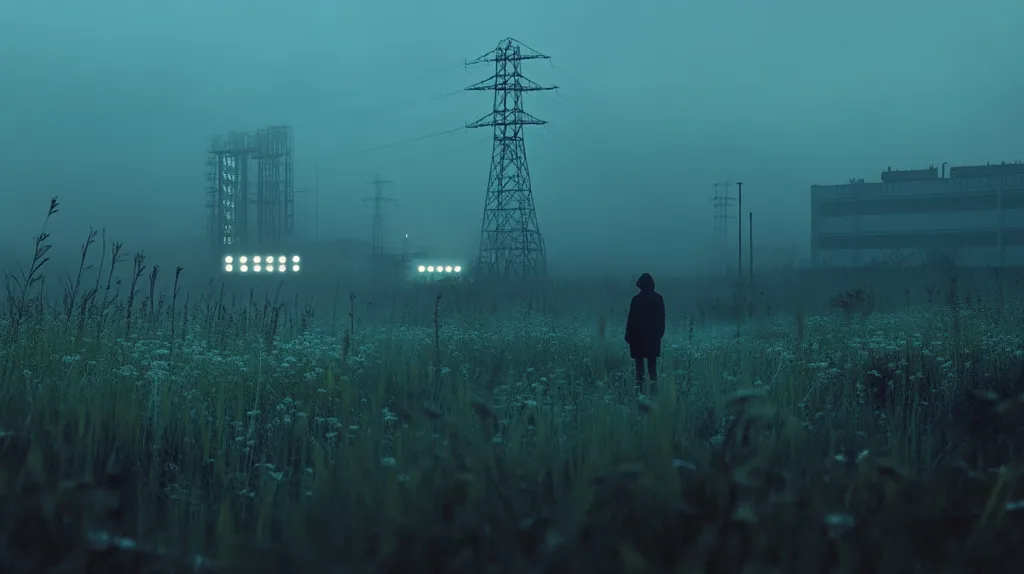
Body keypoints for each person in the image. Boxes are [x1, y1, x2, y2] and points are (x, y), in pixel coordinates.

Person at [624, 272, 665, 392]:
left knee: (639, 369)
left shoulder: (636, 300)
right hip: (652, 338)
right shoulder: (658, 299)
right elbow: (662, 319)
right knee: (652, 368)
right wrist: (659, 335)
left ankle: (640, 393)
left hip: (638, 339)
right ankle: (654, 392)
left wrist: (628, 335)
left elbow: (631, 320)